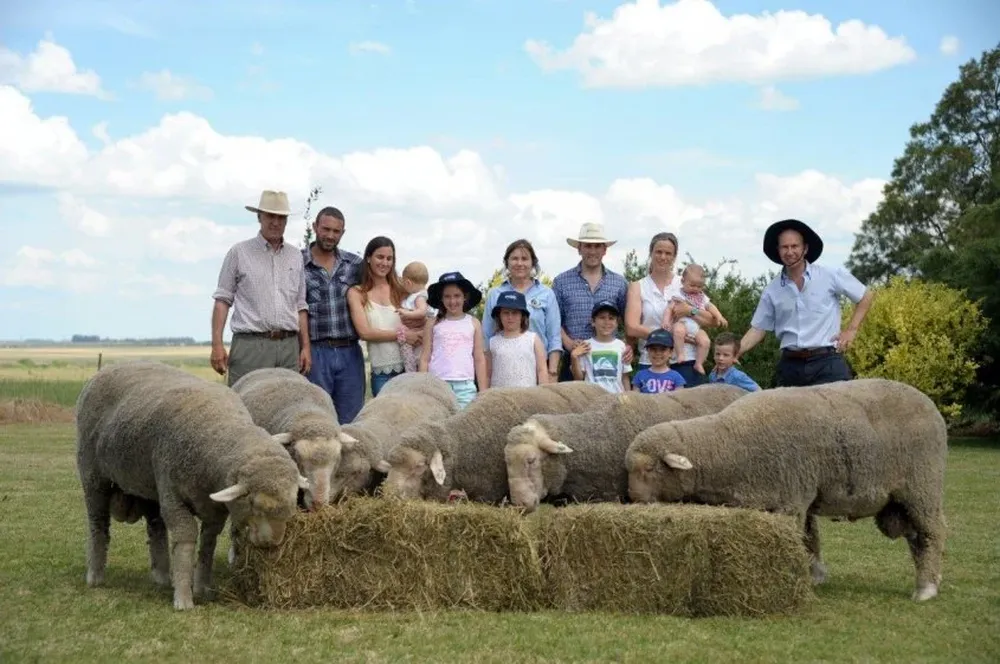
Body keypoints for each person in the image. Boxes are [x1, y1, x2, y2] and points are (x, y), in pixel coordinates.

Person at [739, 218, 874, 387]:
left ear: (805, 248)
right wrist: (734, 353)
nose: (790, 252)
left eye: (794, 246)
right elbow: (758, 329)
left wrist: (851, 330)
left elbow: (865, 296)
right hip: (790, 365)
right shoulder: (772, 290)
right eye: (784, 247)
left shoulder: (830, 275)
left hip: (827, 362)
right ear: (778, 250)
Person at [210, 190, 310, 387]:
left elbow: (300, 306)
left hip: (289, 346)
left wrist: (305, 347)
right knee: (245, 406)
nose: (275, 222)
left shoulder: (295, 256)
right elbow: (222, 301)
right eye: (270, 216)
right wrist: (217, 345)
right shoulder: (239, 252)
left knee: (288, 406)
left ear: (286, 221)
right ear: (259, 217)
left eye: (281, 217)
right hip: (250, 346)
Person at [624, 232, 717, 388]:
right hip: (651, 361)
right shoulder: (638, 286)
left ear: (674, 256)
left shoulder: (686, 283)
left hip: (686, 360)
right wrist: (669, 338)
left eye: (668, 253)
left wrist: (690, 310)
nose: (663, 257)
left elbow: (712, 321)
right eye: (659, 252)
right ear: (651, 253)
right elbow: (631, 328)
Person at [302, 206, 366, 423]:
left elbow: (385, 290)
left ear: (342, 233)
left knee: (351, 420)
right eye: (325, 229)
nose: (330, 235)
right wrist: (304, 349)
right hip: (316, 353)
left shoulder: (355, 264)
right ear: (315, 228)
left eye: (336, 231)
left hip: (350, 353)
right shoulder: (297, 263)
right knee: (317, 419)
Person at [553, 223, 631, 383]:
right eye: (588, 246)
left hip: (609, 359)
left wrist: (627, 345)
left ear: (604, 250)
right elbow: (554, 321)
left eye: (597, 246)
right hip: (573, 358)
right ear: (579, 248)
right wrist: (568, 344)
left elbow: (627, 321)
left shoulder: (619, 283)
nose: (593, 251)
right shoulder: (561, 282)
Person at [481, 239, 563, 381]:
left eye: (524, 259)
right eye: (514, 258)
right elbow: (486, 337)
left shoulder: (547, 294)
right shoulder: (495, 294)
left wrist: (552, 372)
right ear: (507, 262)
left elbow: (554, 336)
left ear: (533, 263)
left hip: (540, 371)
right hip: (503, 370)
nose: (519, 263)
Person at [346, 237, 416, 397]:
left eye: (389, 258)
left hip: (410, 368)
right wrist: (403, 335)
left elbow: (423, 309)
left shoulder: (401, 288)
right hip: (381, 373)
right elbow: (365, 333)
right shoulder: (357, 293)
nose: (385, 263)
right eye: (380, 257)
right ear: (368, 258)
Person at [420, 271, 489, 408]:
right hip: (437, 384)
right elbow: (425, 358)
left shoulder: (474, 323)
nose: (452, 301)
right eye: (447, 296)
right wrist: (422, 388)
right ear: (441, 299)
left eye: (457, 296)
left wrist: (483, 391)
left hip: (465, 387)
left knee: (464, 425)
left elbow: (479, 358)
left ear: (465, 297)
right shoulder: (432, 323)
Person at [662, 263, 728, 375]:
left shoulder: (702, 297)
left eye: (699, 286)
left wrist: (719, 316)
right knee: (678, 331)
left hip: (696, 328)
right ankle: (680, 354)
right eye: (692, 285)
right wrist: (666, 321)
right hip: (681, 322)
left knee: (705, 341)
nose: (696, 289)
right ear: (683, 281)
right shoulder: (679, 294)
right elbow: (669, 308)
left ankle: (699, 363)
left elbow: (710, 306)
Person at [486, 290, 548, 388]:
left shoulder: (533, 339)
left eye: (514, 313)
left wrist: (543, 396)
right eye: (506, 313)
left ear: (522, 316)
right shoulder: (492, 342)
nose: (510, 317)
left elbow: (542, 370)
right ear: (499, 315)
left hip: (527, 397)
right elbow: (487, 374)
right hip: (499, 398)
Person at [570, 300, 632, 394]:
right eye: (602, 317)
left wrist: (629, 398)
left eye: (611, 318)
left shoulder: (621, 346)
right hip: (592, 399)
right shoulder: (585, 346)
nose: (606, 322)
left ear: (616, 323)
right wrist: (574, 357)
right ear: (593, 322)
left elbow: (625, 377)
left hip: (616, 398)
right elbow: (579, 378)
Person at [396, 261, 433, 373]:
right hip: (420, 329)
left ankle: (410, 370)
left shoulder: (419, 297)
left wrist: (406, 313)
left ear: (408, 282)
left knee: (405, 346)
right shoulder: (421, 295)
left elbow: (422, 312)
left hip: (418, 328)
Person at [631, 328, 687, 393]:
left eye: (663, 349)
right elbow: (634, 400)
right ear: (647, 351)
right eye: (653, 349)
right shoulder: (639, 375)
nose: (658, 353)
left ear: (671, 352)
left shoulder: (677, 377)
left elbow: (680, 401)